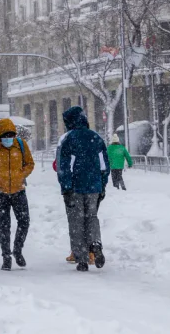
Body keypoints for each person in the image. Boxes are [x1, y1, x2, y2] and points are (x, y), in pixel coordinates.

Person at [57, 106, 109, 272]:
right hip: (94, 187)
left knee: (76, 222)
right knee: (92, 217)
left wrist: (66, 188)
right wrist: (102, 185)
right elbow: (104, 165)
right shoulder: (96, 138)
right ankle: (96, 243)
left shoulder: (69, 139)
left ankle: (82, 259)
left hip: (75, 188)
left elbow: (64, 167)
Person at [0, 118, 34, 270]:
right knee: (4, 226)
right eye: (5, 136)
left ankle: (17, 249)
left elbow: (30, 163)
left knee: (24, 221)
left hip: (18, 190)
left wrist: (21, 175)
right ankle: (6, 256)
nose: (8, 139)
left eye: (11, 135)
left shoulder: (20, 145)